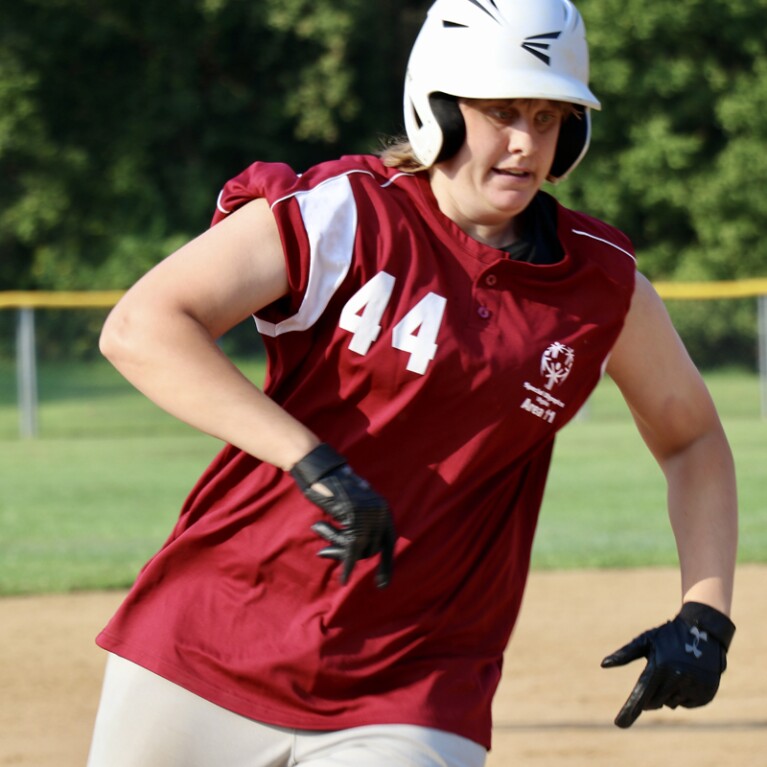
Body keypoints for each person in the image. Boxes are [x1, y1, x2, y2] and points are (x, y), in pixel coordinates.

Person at [86, 0, 737, 765]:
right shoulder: (347, 215)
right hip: (211, 637)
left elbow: (689, 436)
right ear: (437, 108)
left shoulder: (598, 283)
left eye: (550, 114)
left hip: (418, 681)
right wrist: (310, 458)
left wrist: (706, 613)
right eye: (500, 111)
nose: (526, 142)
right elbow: (143, 325)